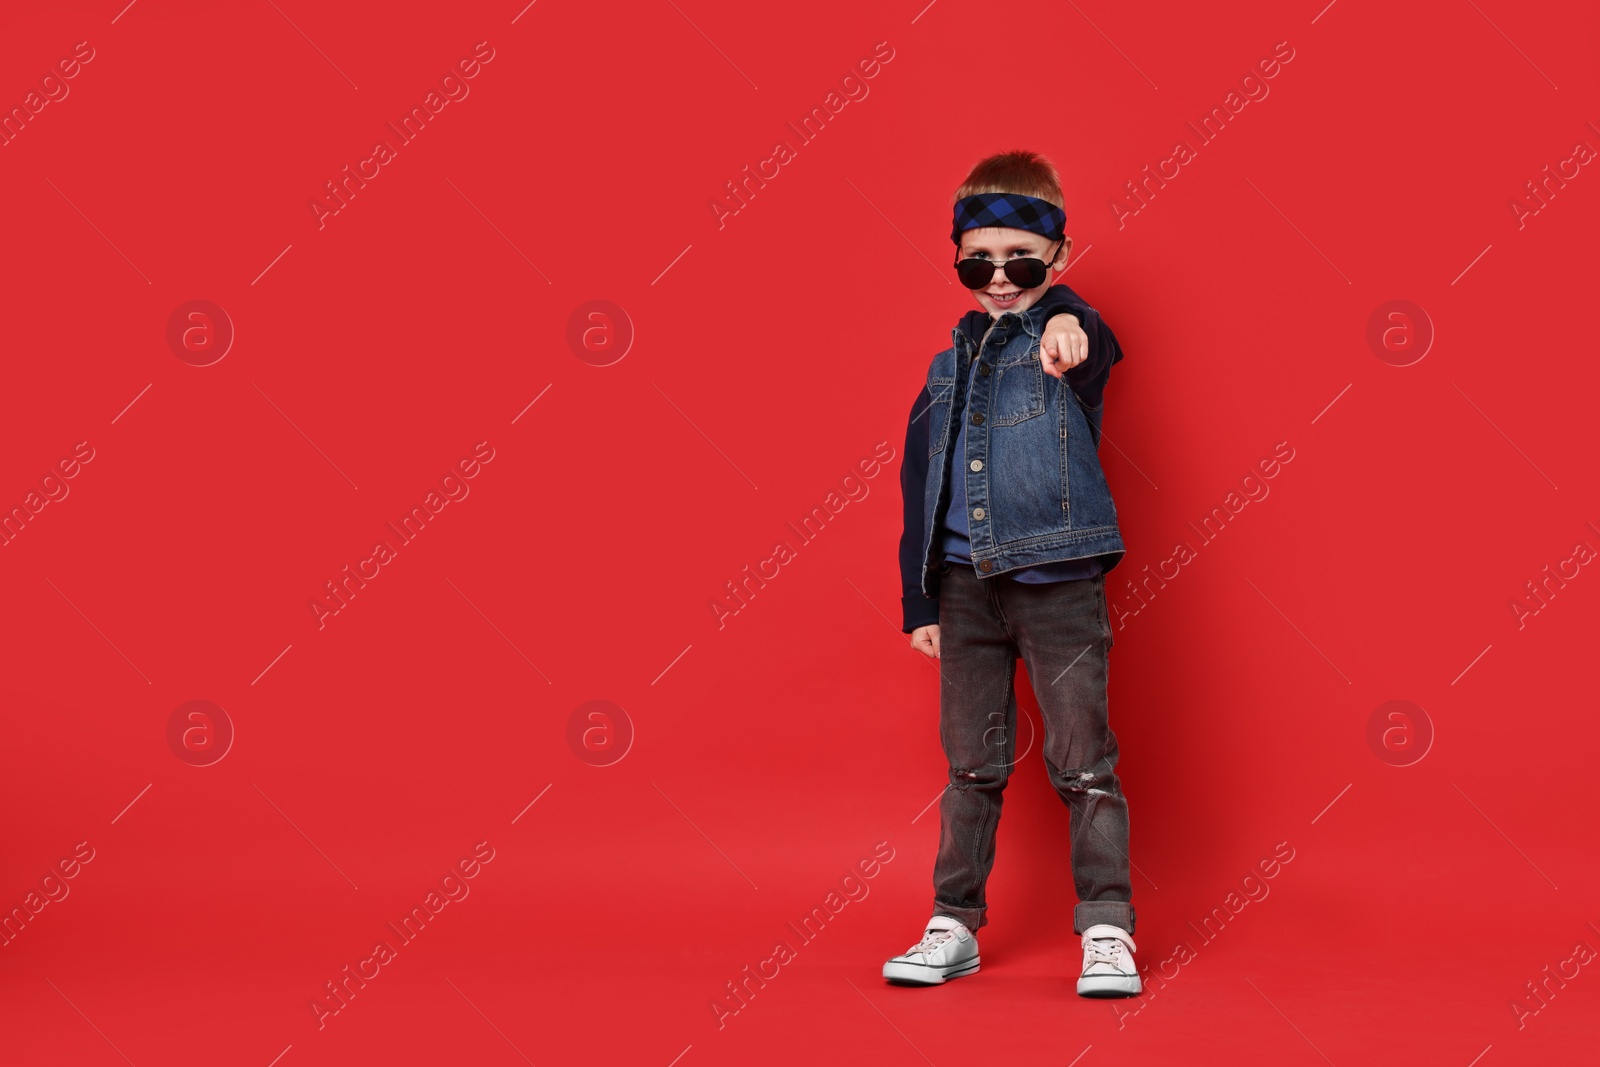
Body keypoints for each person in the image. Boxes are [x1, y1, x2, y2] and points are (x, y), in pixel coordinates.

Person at [881, 149, 1140, 998]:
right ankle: (952, 922)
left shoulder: (1069, 334)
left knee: (1084, 761)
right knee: (971, 765)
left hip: (1058, 579)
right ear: (957, 257)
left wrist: (1069, 318)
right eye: (977, 261)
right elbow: (922, 480)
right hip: (963, 587)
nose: (999, 279)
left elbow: (1092, 343)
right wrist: (921, 593)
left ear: (1057, 258)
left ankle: (1107, 925)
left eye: (1021, 262)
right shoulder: (944, 365)